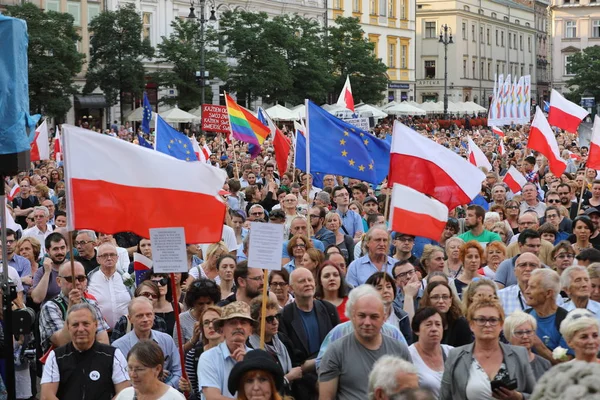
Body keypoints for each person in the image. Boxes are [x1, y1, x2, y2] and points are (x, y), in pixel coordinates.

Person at [318, 285, 412, 400]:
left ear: (384, 318)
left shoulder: (399, 350)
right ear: (353, 316)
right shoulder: (336, 351)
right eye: (362, 316)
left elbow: (411, 392)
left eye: (374, 317)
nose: (367, 322)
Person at [439, 295, 535, 400]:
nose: (487, 325)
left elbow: (537, 396)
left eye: (493, 320)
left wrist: (519, 397)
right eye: (481, 320)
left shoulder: (519, 354)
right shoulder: (456, 355)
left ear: (501, 325)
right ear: (471, 324)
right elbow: (444, 396)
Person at [40, 303, 130, 400]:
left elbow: (124, 393)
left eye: (86, 324)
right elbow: (47, 396)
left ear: (95, 325)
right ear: (68, 327)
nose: (81, 329)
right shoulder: (56, 357)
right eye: (75, 325)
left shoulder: (113, 355)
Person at [279, 268, 339, 400]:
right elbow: (290, 355)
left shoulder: (329, 310)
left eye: (310, 280)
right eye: (302, 281)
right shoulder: (285, 316)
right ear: (291, 288)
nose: (307, 283)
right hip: (302, 386)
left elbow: (339, 344)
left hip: (331, 378)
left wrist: (317, 363)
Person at [39, 261, 110, 353]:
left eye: (81, 278)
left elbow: (103, 341)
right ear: (59, 281)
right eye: (70, 279)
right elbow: (62, 342)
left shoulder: (91, 304)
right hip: (62, 363)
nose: (76, 283)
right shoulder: (50, 307)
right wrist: (71, 308)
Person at [112, 297, 182, 388]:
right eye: (140, 315)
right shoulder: (118, 347)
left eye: (149, 314)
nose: (145, 319)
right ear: (130, 318)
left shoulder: (167, 340)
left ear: (154, 315)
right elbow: (120, 380)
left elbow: (178, 371)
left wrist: (164, 389)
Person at [197, 301, 255, 400]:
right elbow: (213, 397)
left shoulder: (256, 357)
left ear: (250, 330)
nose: (239, 326)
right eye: (233, 323)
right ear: (221, 330)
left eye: (243, 322)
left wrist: (245, 366)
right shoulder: (208, 358)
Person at [247, 298, 302, 391]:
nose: (275, 322)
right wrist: (287, 378)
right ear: (256, 322)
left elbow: (295, 362)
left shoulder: (282, 339)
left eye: (277, 316)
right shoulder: (249, 347)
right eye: (269, 319)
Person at [524, 268, 571, 363]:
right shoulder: (525, 317)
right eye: (527, 286)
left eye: (532, 287)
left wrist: (538, 345)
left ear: (548, 293)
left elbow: (566, 363)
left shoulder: (566, 321)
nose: (526, 291)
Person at [179, 306, 224, 399]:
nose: (211, 326)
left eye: (215, 321)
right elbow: (194, 393)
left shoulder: (234, 352)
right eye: (206, 323)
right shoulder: (194, 354)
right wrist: (188, 388)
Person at [408, 307, 454, 398]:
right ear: (417, 330)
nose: (434, 329)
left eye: (438, 324)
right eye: (428, 325)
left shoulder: (452, 352)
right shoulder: (408, 355)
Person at [116, 341, 185, 400]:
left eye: (139, 369)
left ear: (157, 369)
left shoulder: (174, 398)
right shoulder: (124, 395)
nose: (132, 374)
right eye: (130, 368)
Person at [87, 242, 132, 330]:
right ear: (98, 259)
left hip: (125, 331)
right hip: (99, 332)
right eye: (104, 255)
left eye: (112, 255)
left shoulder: (126, 279)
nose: (109, 258)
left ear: (117, 258)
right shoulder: (89, 279)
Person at [419, 281, 472, 347]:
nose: (441, 301)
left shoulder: (461, 324)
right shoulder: (421, 323)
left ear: (450, 301)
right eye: (435, 297)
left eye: (445, 297)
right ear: (428, 300)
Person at [175, 278, 221, 353]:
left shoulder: (221, 316)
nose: (205, 307)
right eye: (200, 304)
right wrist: (193, 340)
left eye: (209, 303)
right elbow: (176, 352)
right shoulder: (182, 319)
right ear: (193, 303)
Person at [366, 272, 412, 343]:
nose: (386, 291)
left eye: (388, 287)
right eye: (379, 288)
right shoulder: (366, 317)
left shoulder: (402, 316)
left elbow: (407, 345)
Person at [503, 311, 552, 380]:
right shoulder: (501, 363)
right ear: (508, 336)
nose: (525, 336)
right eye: (519, 333)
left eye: (528, 332)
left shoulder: (544, 364)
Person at [31, 232, 66, 304]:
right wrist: (47, 273)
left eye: (62, 248)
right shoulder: (41, 271)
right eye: (55, 249)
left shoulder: (73, 267)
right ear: (47, 251)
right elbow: (37, 299)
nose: (60, 252)